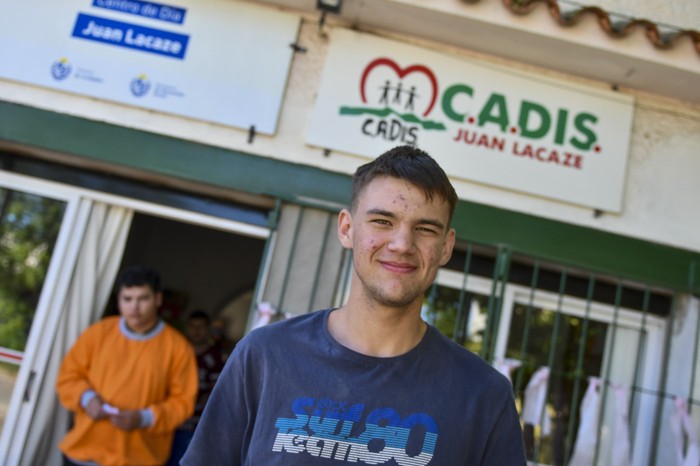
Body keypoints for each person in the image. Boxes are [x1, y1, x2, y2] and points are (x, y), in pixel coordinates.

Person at [181, 145, 526, 465]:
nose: (402, 243)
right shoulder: (264, 358)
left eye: (424, 229)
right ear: (347, 229)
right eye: (382, 221)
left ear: (446, 247)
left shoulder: (483, 397)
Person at [56, 265, 198, 466]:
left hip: (139, 458)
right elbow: (68, 377)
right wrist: (87, 398)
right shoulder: (98, 333)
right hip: (83, 452)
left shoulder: (178, 348)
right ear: (119, 300)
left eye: (143, 298)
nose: (134, 307)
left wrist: (144, 418)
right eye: (127, 299)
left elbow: (183, 403)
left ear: (157, 299)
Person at [166, 310, 227, 466]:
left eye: (201, 327)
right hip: (170, 419)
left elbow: (216, 392)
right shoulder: (177, 351)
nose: (197, 331)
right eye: (193, 326)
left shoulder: (214, 357)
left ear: (208, 329)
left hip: (194, 424)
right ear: (187, 328)